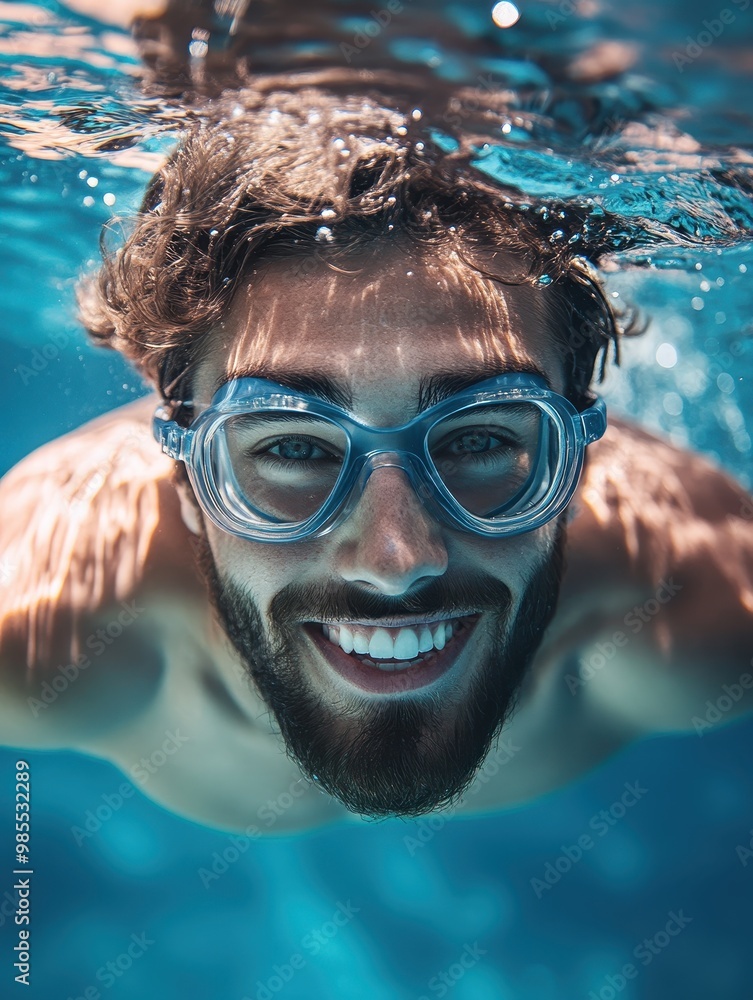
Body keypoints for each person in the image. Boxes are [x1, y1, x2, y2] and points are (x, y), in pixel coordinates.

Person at [1, 81, 752, 834]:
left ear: (579, 457)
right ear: (186, 477)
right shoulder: (40, 630)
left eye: (478, 437)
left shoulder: (697, 618)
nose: (396, 561)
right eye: (293, 445)